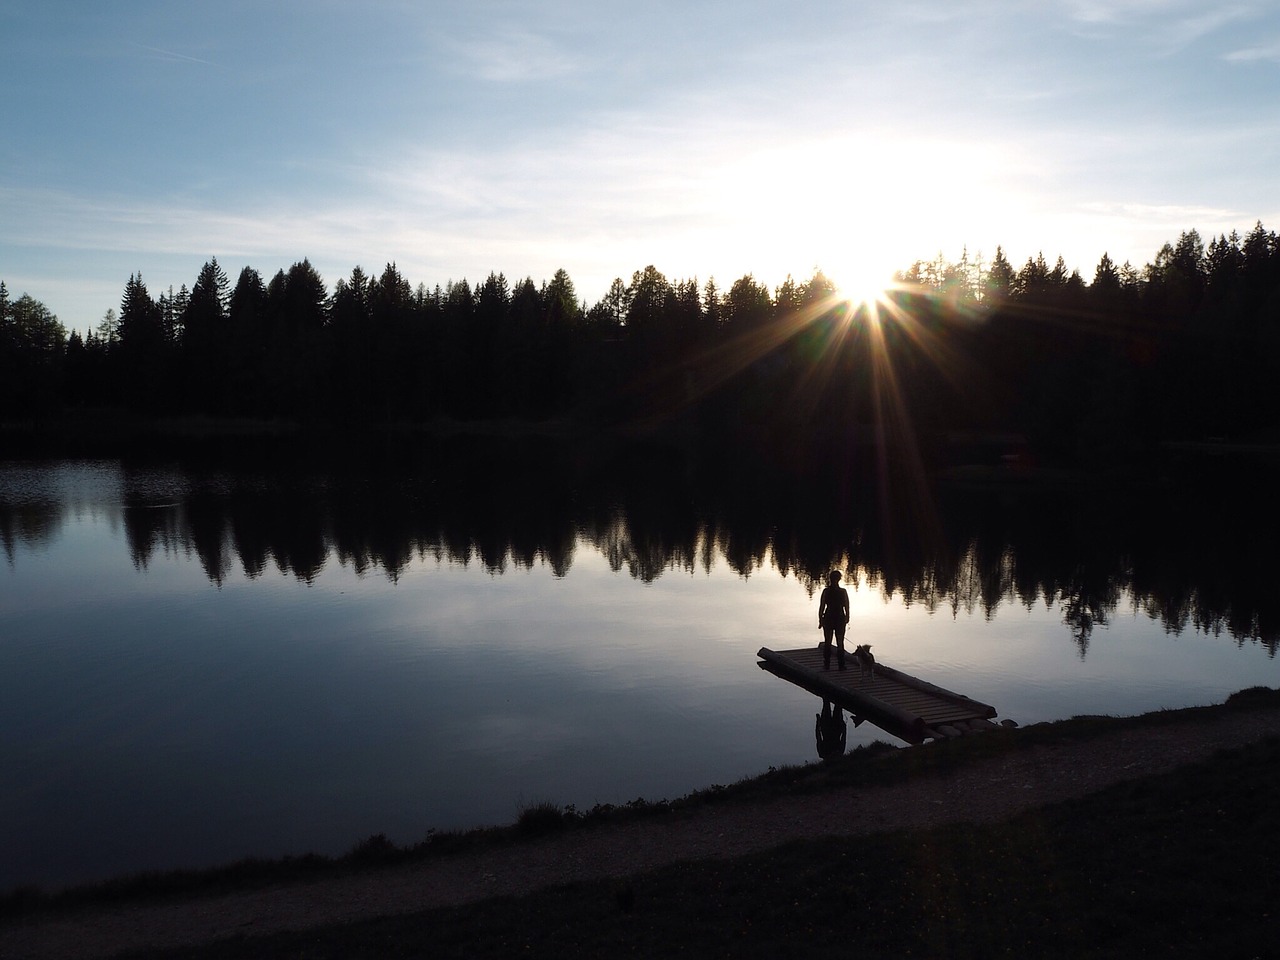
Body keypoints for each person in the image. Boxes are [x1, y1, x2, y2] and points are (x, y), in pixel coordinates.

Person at [817, 569, 850, 670]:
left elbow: (822, 606)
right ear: (839, 579)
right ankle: (841, 665)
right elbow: (847, 606)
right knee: (839, 642)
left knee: (828, 641)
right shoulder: (843, 592)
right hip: (839, 617)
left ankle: (827, 664)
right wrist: (847, 617)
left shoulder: (826, 591)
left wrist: (820, 619)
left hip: (829, 617)